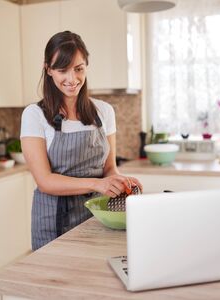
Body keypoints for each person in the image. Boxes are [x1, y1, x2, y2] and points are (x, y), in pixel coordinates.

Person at [20, 31, 143, 250]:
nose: (72, 79)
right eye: (62, 70)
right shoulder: (34, 115)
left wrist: (121, 182)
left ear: (86, 65)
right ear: (48, 69)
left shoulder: (104, 112)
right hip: (53, 224)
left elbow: (109, 168)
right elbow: (45, 181)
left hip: (98, 219)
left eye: (78, 69)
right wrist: (97, 184)